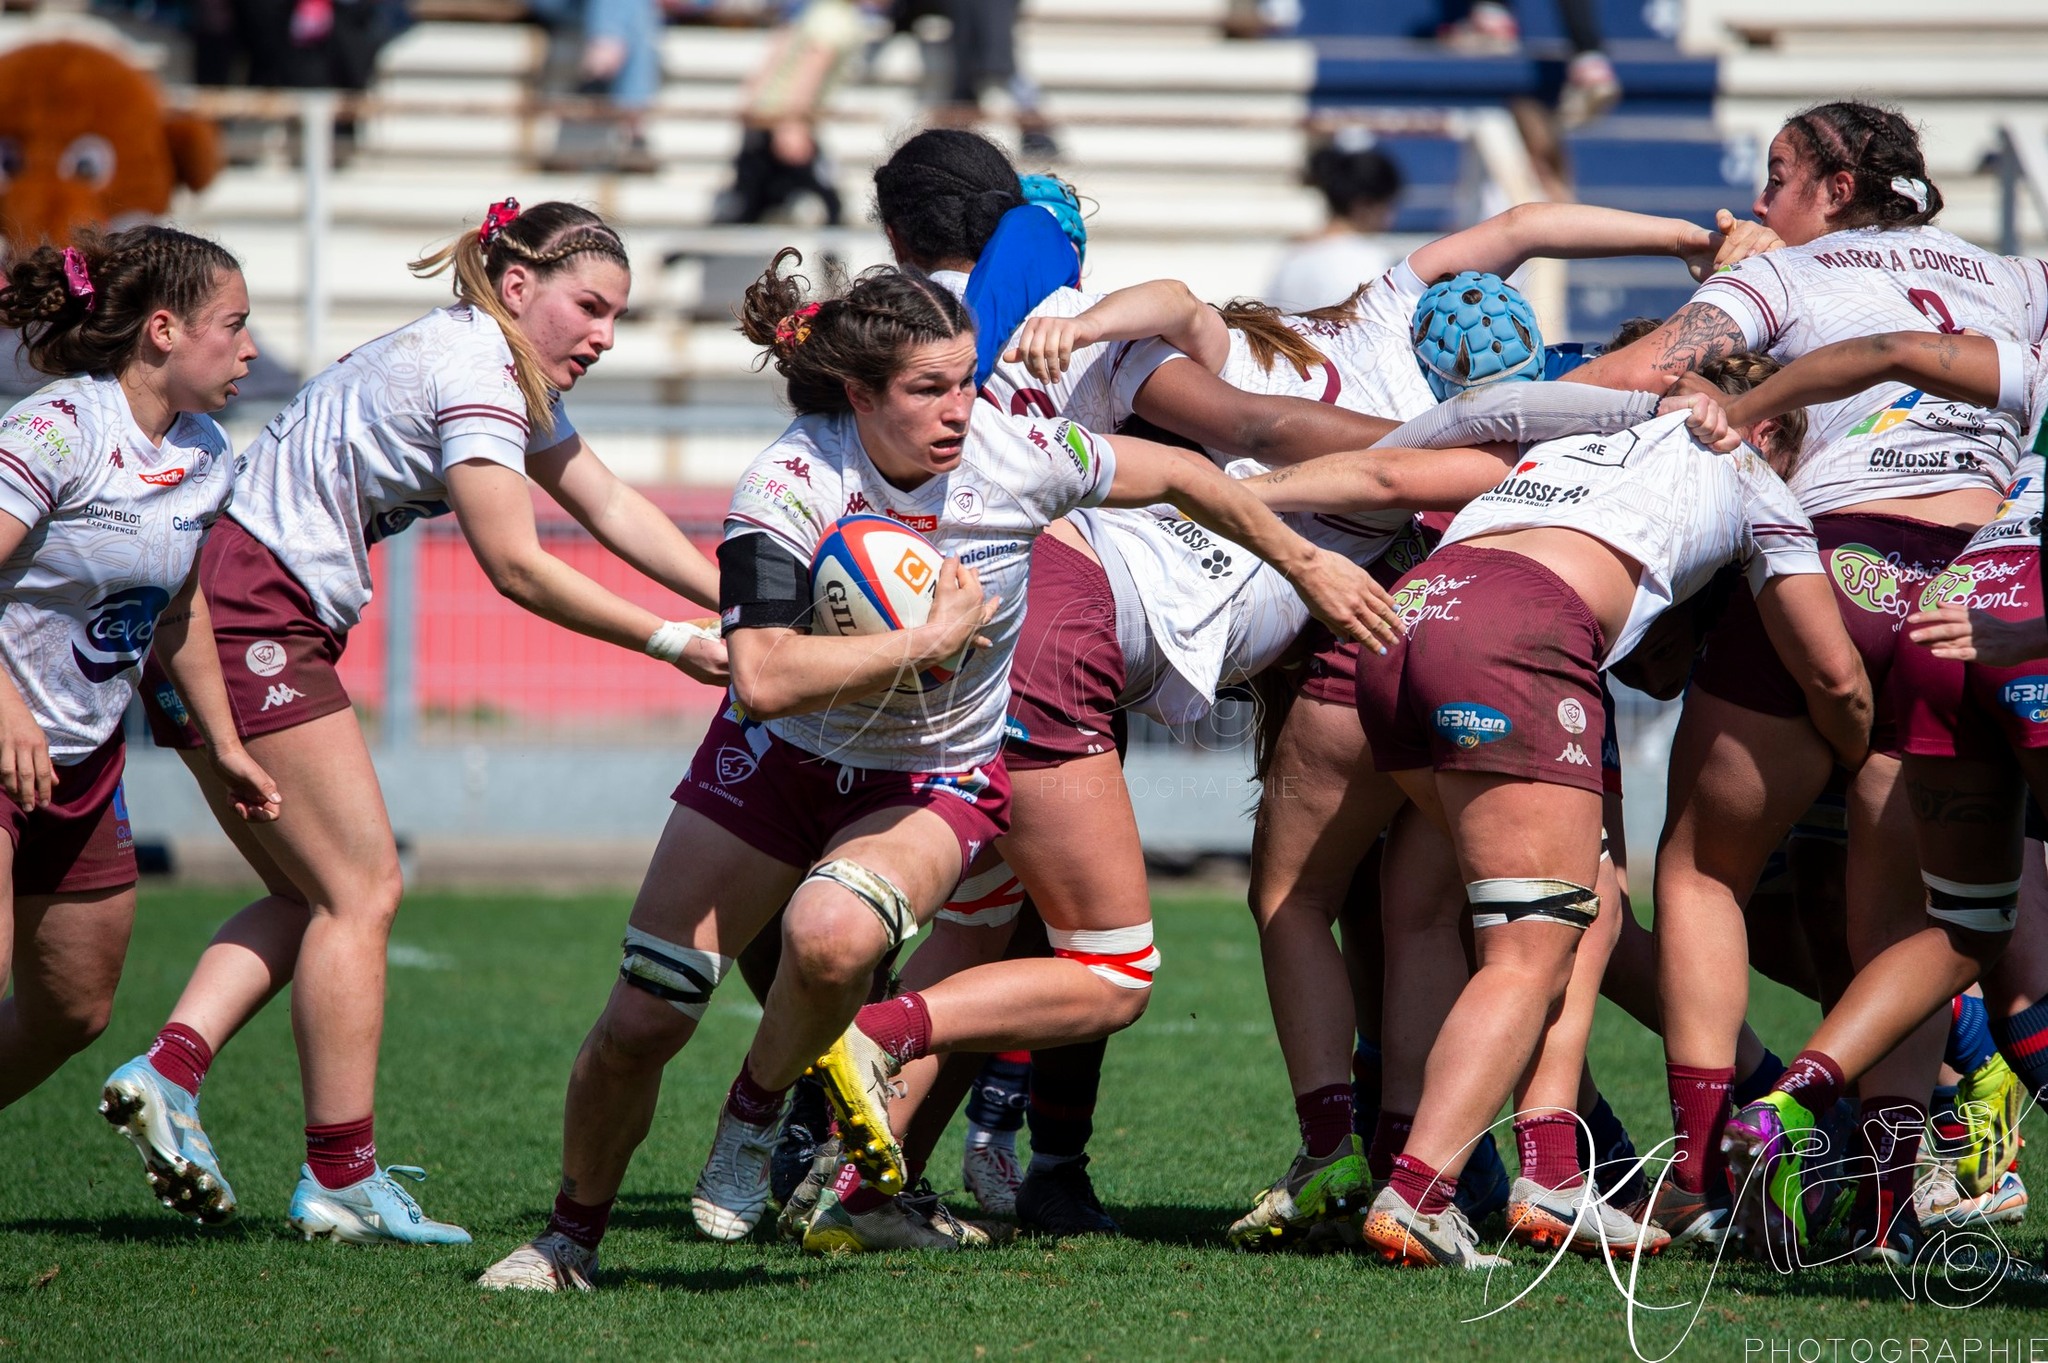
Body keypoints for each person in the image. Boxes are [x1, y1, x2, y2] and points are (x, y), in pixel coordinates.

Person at [475, 248, 1399, 1289]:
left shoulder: (1018, 452)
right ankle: (566, 1240)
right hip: (776, 760)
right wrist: (926, 641)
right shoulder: (790, 482)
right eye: (928, 389)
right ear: (859, 394)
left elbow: (1184, 473)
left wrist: (1306, 560)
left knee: (831, 938)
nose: (960, 409)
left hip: (928, 775)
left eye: (966, 379)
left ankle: (754, 1108)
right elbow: (763, 677)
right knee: (642, 1019)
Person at [100, 199, 726, 1245]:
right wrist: (672, 640)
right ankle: (339, 1179)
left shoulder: (483, 355)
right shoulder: (478, 367)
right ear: (517, 287)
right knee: (362, 890)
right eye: (590, 307)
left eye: (617, 315)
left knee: (310, 894)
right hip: (249, 611)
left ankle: (169, 1071)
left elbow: (607, 501)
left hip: (218, 603)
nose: (606, 336)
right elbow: (516, 563)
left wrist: (742, 603)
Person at [1245, 354, 1870, 1268]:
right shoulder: (1751, 473)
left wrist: (1241, 490)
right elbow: (1834, 673)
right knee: (1537, 940)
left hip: (1406, 612)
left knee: (1458, 906)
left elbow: (1464, 418)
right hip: (1518, 632)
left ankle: (1536, 1169)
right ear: (1768, 427)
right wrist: (1865, 751)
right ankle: (1419, 1192)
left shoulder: (1581, 436)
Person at [1570, 99, 2048, 1257]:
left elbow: (1646, 369)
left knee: (1700, 871)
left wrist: (1486, 426)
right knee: (1913, 921)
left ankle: (1702, 1177)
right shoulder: (2015, 277)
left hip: (1830, 566)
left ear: (1835, 187)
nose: (1757, 200)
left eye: (1777, 175)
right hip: (1973, 591)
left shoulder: (1785, 272)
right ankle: (1886, 1206)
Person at [1701, 328, 2048, 1263]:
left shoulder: (2017, 361)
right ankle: (1931, 1143)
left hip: (1955, 609)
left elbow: (1891, 349)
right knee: (1996, 961)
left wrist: (1732, 414)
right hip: (2013, 624)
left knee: (1958, 931)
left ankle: (1799, 1105)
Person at [0, 226, 278, 1124]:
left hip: (80, 764)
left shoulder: (206, 452)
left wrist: (225, 744)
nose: (251, 347)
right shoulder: (56, 429)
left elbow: (179, 609)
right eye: (233, 324)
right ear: (164, 330)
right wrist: (5, 707)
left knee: (73, 1009)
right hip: (2, 744)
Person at [1267, 131, 1405, 314]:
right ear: (1364, 205)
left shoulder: (1291, 258)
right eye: (1387, 206)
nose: (1390, 220)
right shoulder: (1374, 263)